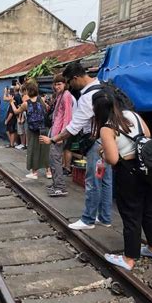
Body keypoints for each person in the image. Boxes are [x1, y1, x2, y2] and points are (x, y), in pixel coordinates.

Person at [91, 89, 152, 270]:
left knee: (131, 214)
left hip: (128, 173)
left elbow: (113, 159)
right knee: (149, 210)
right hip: (147, 169)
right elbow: (147, 136)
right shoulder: (133, 115)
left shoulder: (107, 127)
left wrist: (106, 151)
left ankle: (129, 258)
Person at [40, 62, 112, 229]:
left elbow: (73, 127)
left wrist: (53, 139)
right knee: (106, 179)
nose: (70, 87)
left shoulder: (88, 97)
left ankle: (88, 220)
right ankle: (105, 217)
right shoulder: (103, 87)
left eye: (70, 83)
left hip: (95, 141)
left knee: (93, 180)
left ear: (76, 78)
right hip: (108, 139)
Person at [10, 80, 51, 180]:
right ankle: (48, 172)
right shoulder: (41, 99)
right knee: (45, 149)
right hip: (44, 128)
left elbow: (16, 112)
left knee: (33, 149)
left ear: (28, 91)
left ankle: (34, 172)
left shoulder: (25, 104)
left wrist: (11, 102)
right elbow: (47, 109)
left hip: (32, 130)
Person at [46, 74, 74, 197]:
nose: (57, 86)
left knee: (55, 160)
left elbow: (68, 116)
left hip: (59, 134)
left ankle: (60, 187)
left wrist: (61, 136)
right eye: (55, 84)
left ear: (65, 84)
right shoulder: (60, 95)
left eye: (59, 84)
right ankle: (56, 183)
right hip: (55, 131)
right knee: (52, 159)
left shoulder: (66, 96)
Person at [14, 85, 27, 149]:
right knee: (22, 131)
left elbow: (21, 109)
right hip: (22, 115)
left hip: (23, 115)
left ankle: (24, 144)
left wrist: (20, 118)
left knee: (23, 131)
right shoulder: (22, 96)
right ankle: (23, 144)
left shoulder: (25, 97)